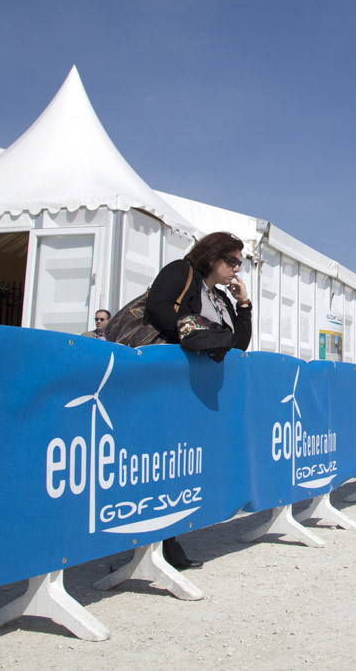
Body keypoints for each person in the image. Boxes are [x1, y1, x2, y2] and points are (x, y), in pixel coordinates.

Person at [145, 232, 253, 569]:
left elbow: (238, 344)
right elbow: (158, 310)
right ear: (212, 256)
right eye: (232, 260)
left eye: (240, 262)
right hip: (166, 383)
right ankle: (153, 546)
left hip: (198, 390)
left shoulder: (219, 297)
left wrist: (243, 305)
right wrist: (197, 336)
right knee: (160, 461)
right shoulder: (182, 272)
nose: (237, 268)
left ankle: (166, 541)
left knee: (183, 463)